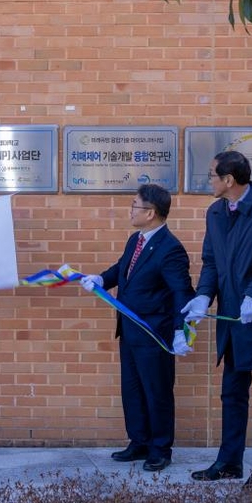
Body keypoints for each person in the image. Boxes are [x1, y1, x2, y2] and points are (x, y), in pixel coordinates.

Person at [182, 152, 252, 488]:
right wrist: (202, 296)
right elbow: (211, 261)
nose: (208, 180)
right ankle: (229, 461)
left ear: (229, 180)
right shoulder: (214, 212)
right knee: (232, 393)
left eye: (212, 175)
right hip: (230, 317)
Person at [81, 184, 195, 473]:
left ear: (151, 212)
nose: (130, 210)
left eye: (135, 205)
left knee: (156, 390)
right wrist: (100, 279)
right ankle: (139, 442)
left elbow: (183, 292)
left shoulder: (171, 249)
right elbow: (122, 270)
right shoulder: (136, 239)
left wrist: (183, 330)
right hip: (129, 331)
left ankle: (160, 449)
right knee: (132, 389)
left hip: (154, 333)